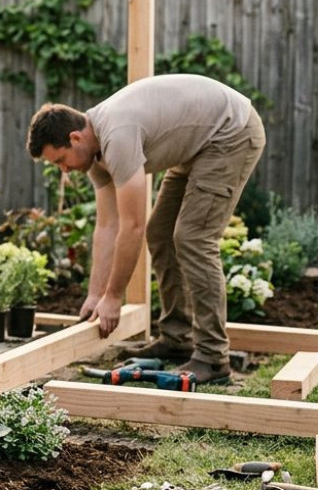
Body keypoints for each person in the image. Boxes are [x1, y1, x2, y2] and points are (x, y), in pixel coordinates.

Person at [26, 74, 265, 384]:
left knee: (193, 238)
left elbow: (132, 225)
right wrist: (96, 294)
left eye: (61, 160)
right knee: (161, 233)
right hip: (199, 145)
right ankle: (177, 338)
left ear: (75, 138)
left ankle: (212, 356)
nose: (65, 170)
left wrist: (114, 297)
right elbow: (107, 226)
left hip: (231, 132)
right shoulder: (95, 154)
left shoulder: (116, 136)